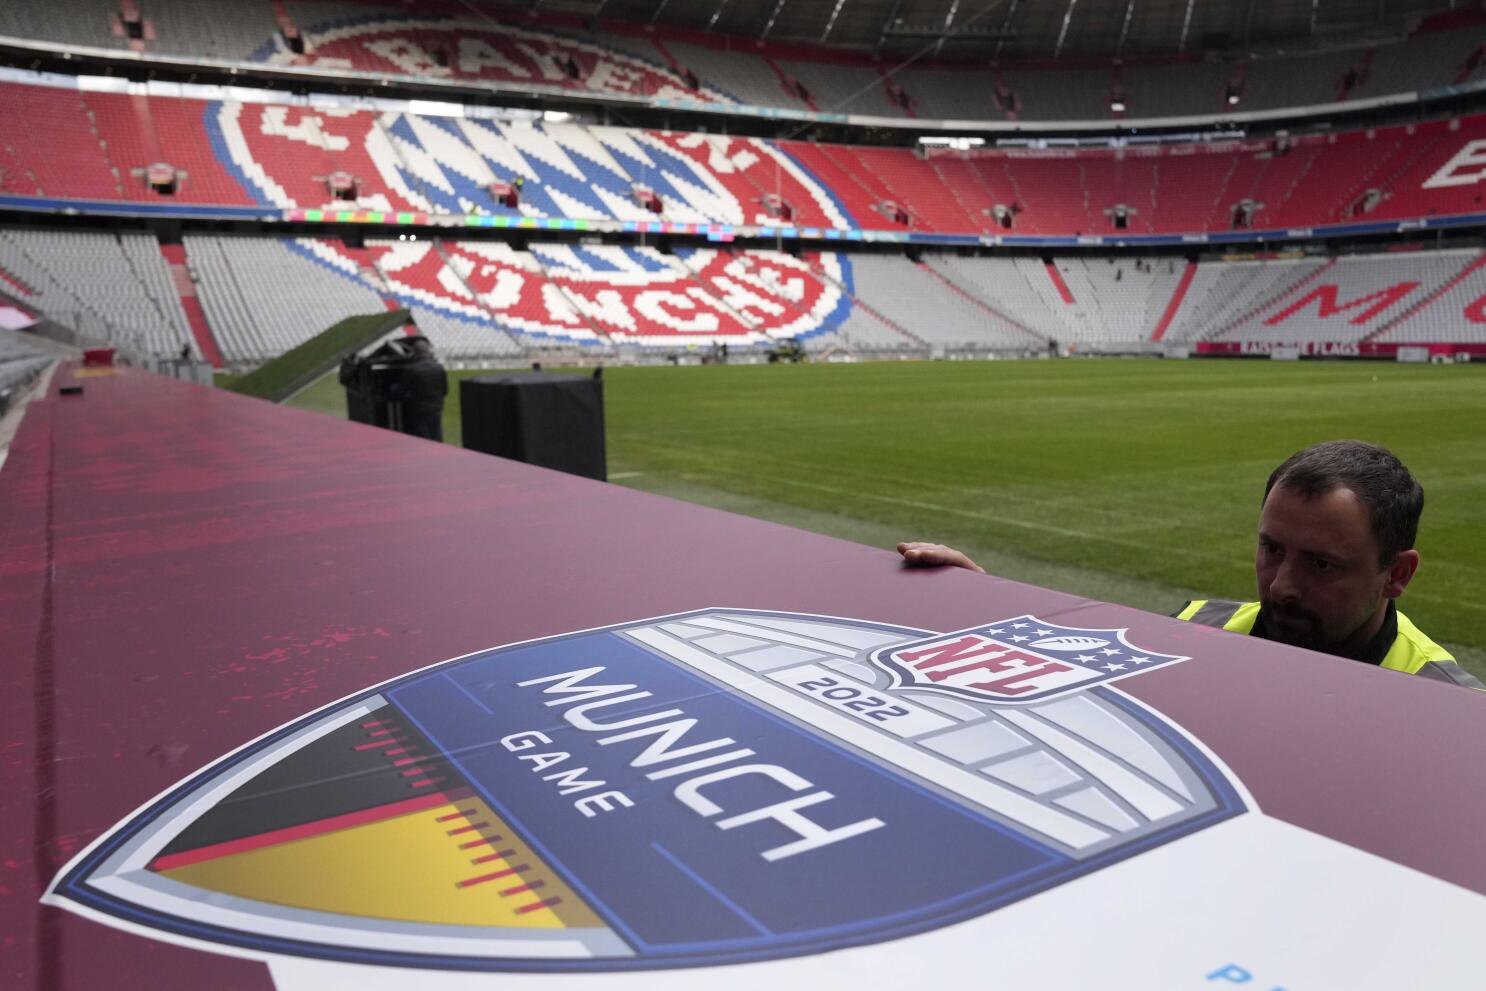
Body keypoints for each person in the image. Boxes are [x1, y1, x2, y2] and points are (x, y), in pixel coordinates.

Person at [898, 440, 1481, 688]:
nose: (1281, 587)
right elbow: (1080, 679)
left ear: (1398, 574)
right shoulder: (1198, 626)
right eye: (1270, 549)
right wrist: (978, 597)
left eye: (1322, 566)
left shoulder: (1449, 708)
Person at [398, 336, 447, 442]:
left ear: (415, 353)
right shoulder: (439, 367)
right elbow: (445, 390)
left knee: (423, 441)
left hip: (419, 411)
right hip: (436, 409)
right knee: (437, 438)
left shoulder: (411, 369)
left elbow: (401, 392)